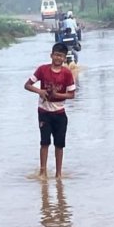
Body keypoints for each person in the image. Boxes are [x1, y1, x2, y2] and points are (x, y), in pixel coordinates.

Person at [24, 42, 76, 178]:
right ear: (51, 55)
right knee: (44, 142)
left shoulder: (67, 74)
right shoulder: (42, 70)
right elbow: (27, 85)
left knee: (59, 145)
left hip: (59, 113)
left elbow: (72, 94)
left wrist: (57, 95)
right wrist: (40, 91)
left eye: (61, 56)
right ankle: (43, 172)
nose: (58, 58)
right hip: (44, 112)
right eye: (56, 55)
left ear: (65, 59)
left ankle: (58, 174)